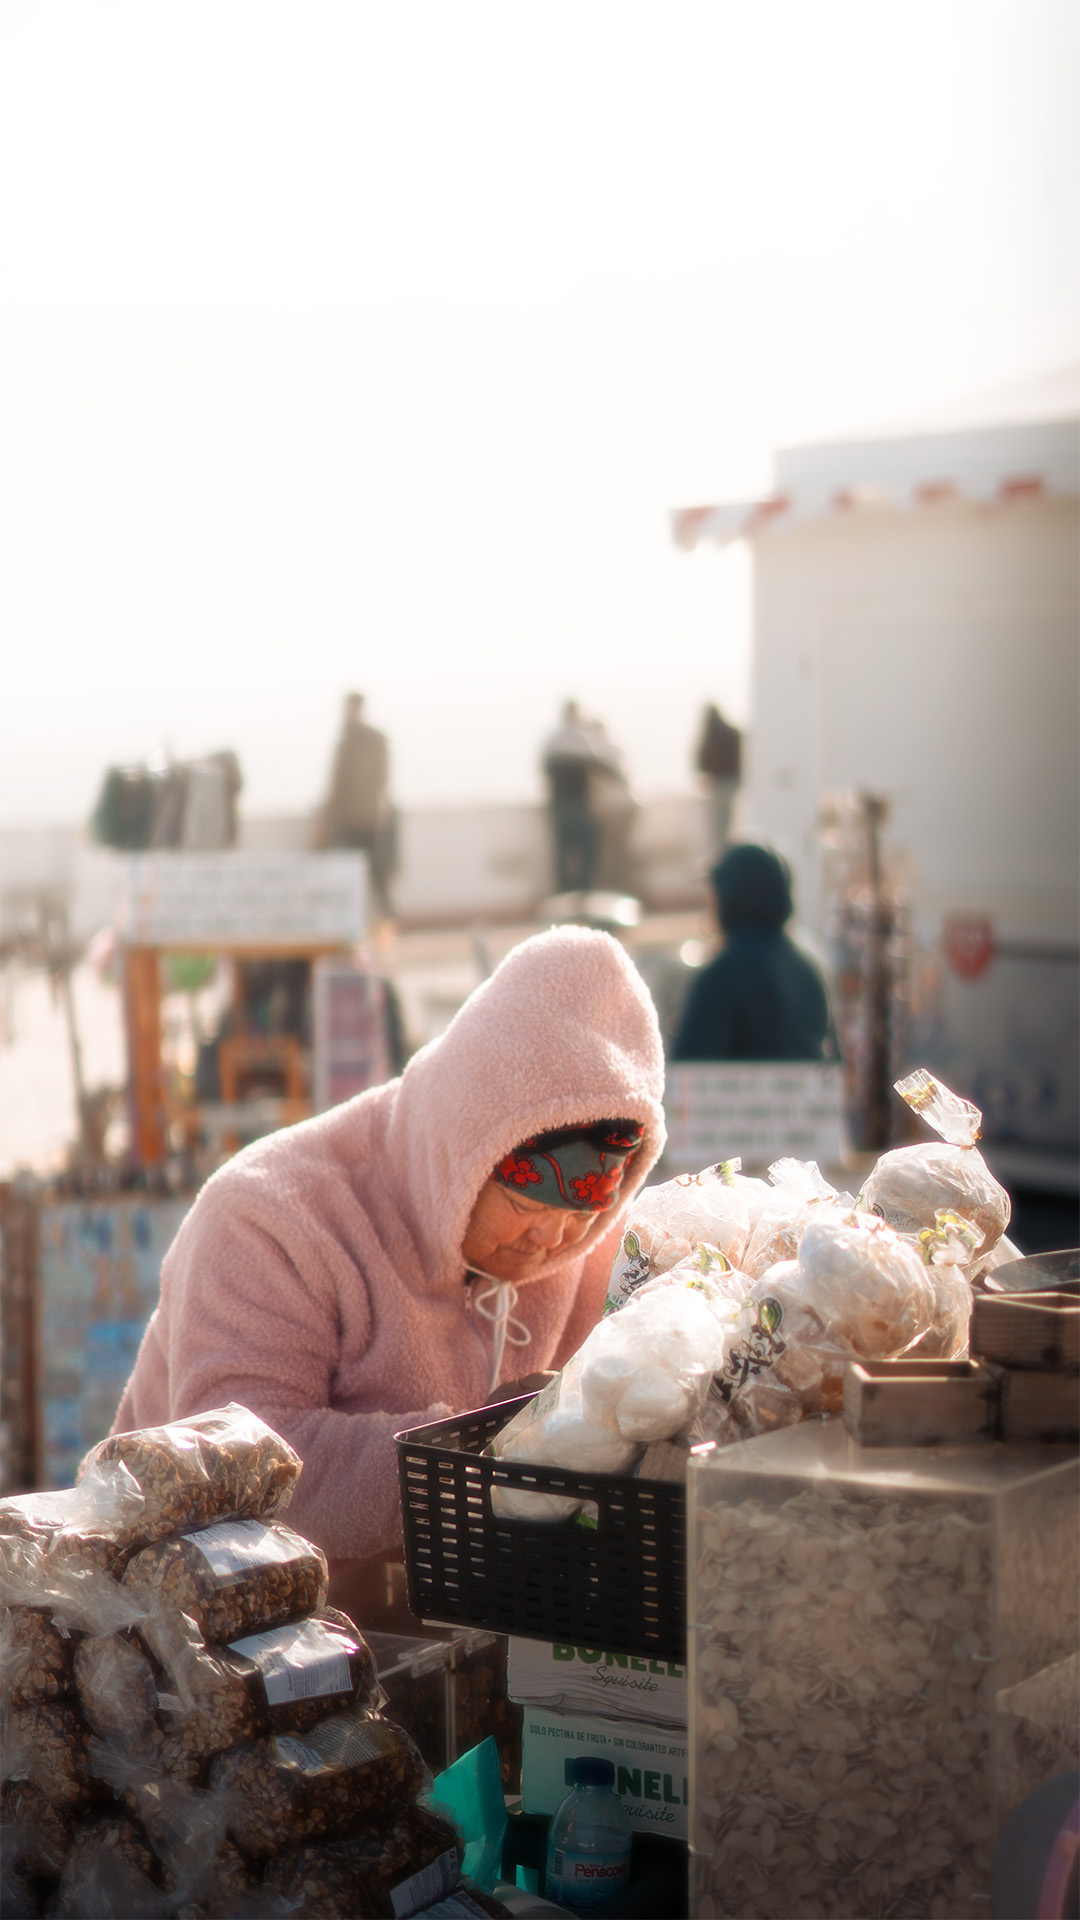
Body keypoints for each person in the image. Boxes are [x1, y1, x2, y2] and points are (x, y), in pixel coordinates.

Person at [112, 926, 665, 1600]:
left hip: (433, 1627)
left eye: (584, 1216)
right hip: (193, 1626)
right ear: (469, 1150)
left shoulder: (590, 1247)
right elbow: (234, 1462)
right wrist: (481, 1461)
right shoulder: (269, 1214)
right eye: (525, 1203)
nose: (550, 1238)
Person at [671, 842, 834, 1062]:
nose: (710, 905)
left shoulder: (721, 976)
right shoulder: (808, 972)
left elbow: (686, 1072)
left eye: (714, 893)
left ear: (730, 896)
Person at [318, 693, 395, 917]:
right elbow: (337, 783)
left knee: (376, 872)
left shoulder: (369, 741)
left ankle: (385, 918)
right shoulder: (347, 741)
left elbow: (379, 777)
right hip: (348, 816)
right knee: (349, 872)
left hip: (367, 816)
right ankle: (356, 918)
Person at [541, 700, 621, 894]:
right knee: (585, 847)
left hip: (560, 804)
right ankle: (584, 891)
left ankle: (567, 892)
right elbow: (599, 762)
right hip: (577, 803)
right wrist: (618, 778)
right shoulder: (579, 738)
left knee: (564, 849)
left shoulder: (553, 739)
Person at [695, 703, 742, 856]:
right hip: (721, 786)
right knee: (719, 825)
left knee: (722, 825)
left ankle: (723, 853)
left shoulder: (726, 735)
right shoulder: (727, 735)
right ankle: (720, 853)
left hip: (725, 785)